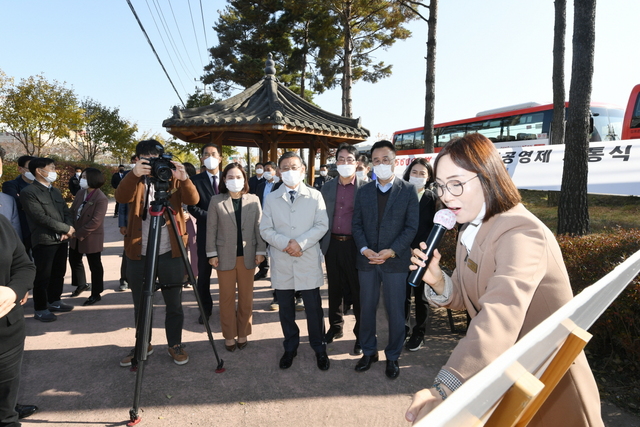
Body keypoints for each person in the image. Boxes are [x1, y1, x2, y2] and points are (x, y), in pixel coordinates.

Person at [404, 134, 603, 426]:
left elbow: (500, 311)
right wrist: (437, 279)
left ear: (488, 177)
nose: (446, 196)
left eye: (456, 183)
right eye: (442, 186)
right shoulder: (471, 227)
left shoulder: (521, 232)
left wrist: (445, 388)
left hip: (547, 384)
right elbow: (467, 295)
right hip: (509, 375)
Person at [115, 140, 199, 367]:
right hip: (138, 251)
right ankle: (143, 343)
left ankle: (175, 343)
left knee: (174, 302)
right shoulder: (134, 179)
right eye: (147, 159)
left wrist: (184, 178)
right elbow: (121, 197)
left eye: (156, 158)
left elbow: (193, 200)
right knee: (141, 302)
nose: (153, 164)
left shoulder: (170, 177)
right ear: (138, 159)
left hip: (169, 251)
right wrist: (133, 175)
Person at [352, 140, 419, 380]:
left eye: (386, 160)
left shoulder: (408, 190)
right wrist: (364, 249)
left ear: (395, 161)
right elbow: (356, 224)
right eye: (376, 160)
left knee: (395, 311)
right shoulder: (363, 191)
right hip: (368, 261)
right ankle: (369, 352)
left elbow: (411, 227)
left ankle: (393, 356)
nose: (381, 164)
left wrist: (392, 251)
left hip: (395, 262)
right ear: (371, 163)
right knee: (366, 308)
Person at [259, 151, 330, 371]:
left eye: (294, 167)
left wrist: (300, 243)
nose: (290, 171)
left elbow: (321, 224)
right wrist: (285, 243)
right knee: (286, 310)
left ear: (302, 170)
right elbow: (265, 229)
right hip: (282, 259)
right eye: (285, 168)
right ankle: (290, 347)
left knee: (313, 309)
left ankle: (319, 348)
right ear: (279, 172)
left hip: (306, 257)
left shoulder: (315, 195)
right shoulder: (271, 198)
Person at [206, 163, 266, 351]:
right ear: (224, 180)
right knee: (226, 298)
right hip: (224, 257)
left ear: (245, 179)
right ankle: (229, 335)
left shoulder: (253, 200)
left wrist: (260, 251)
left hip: (248, 256)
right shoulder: (216, 201)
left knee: (246, 298)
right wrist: (212, 253)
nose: (235, 180)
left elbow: (259, 227)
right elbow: (211, 229)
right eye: (230, 177)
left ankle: (243, 333)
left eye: (238, 177)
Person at [320, 143, 367, 355]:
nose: (345, 163)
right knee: (335, 289)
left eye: (349, 159)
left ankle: (361, 334)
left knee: (358, 292)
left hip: (356, 246)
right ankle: (336, 327)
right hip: (332, 244)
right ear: (335, 162)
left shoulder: (366, 188)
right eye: (341, 159)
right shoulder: (327, 187)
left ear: (356, 163)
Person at [21, 157, 75, 322]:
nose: (54, 171)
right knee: (43, 275)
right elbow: (40, 217)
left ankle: (55, 300)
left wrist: (68, 228)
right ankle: (40, 308)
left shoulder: (55, 191)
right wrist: (65, 228)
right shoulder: (29, 192)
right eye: (51, 168)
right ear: (39, 171)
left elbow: (66, 211)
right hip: (44, 240)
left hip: (61, 239)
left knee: (59, 272)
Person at [0, 213, 36, 427]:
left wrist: (14, 291)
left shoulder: (1, 223)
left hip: (7, 336)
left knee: (6, 414)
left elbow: (24, 265)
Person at [402, 158, 437, 352]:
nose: (417, 176)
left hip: (423, 254)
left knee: (421, 297)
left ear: (429, 177)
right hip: (401, 253)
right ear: (408, 174)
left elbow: (435, 228)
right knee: (403, 296)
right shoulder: (400, 195)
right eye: (414, 172)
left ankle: (419, 333)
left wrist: (425, 250)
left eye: (422, 173)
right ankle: (404, 329)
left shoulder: (432, 199)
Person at [187, 144, 221, 324]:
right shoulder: (195, 180)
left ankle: (229, 308)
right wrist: (212, 218)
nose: (210, 157)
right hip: (204, 233)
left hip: (226, 236)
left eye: (213, 154)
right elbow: (191, 206)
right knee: (204, 275)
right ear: (201, 158)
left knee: (227, 274)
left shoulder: (229, 178)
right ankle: (205, 309)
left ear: (220, 158)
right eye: (206, 154)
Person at [68, 168, 108, 305]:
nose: (81, 179)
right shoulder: (80, 193)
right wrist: (70, 228)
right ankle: (81, 284)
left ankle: (96, 293)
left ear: (93, 178)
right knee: (74, 260)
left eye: (85, 176)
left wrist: (78, 233)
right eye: (82, 176)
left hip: (90, 236)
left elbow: (96, 221)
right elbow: (72, 211)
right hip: (75, 233)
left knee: (94, 265)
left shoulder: (101, 198)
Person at [2, 155, 36, 254]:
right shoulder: (11, 185)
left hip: (38, 231)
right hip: (22, 229)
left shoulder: (41, 186)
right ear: (20, 169)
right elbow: (16, 203)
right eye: (30, 168)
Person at [182, 162, 198, 284]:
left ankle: (193, 275)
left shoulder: (195, 184)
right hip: (178, 220)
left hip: (192, 220)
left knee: (194, 248)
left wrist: (189, 214)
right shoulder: (175, 184)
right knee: (181, 249)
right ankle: (183, 274)